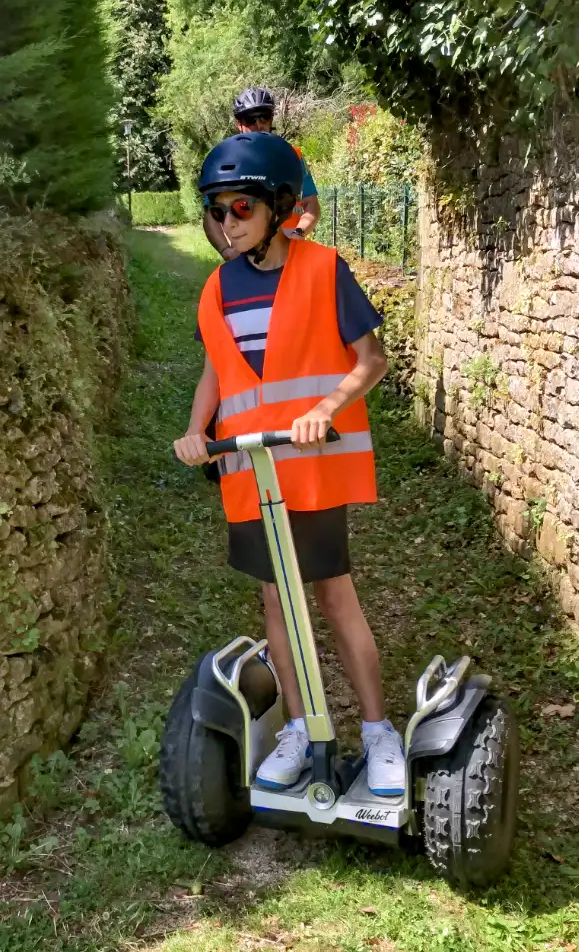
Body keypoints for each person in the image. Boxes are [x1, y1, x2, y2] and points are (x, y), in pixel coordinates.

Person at [175, 131, 405, 797]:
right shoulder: (217, 286)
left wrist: (327, 407)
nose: (226, 224)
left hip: (311, 467)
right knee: (276, 602)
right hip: (251, 473)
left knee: (332, 595)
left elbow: (373, 359)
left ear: (278, 206)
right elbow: (216, 373)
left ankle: (379, 730)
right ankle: (301, 728)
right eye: (217, 211)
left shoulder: (324, 269)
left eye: (240, 209)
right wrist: (195, 431)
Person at [202, 87, 321, 261]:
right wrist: (226, 250)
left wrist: (299, 232)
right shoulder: (226, 162)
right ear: (239, 124)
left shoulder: (291, 156)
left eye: (264, 116)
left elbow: (311, 204)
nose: (259, 125)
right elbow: (210, 213)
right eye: (250, 119)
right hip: (245, 254)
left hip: (289, 253)